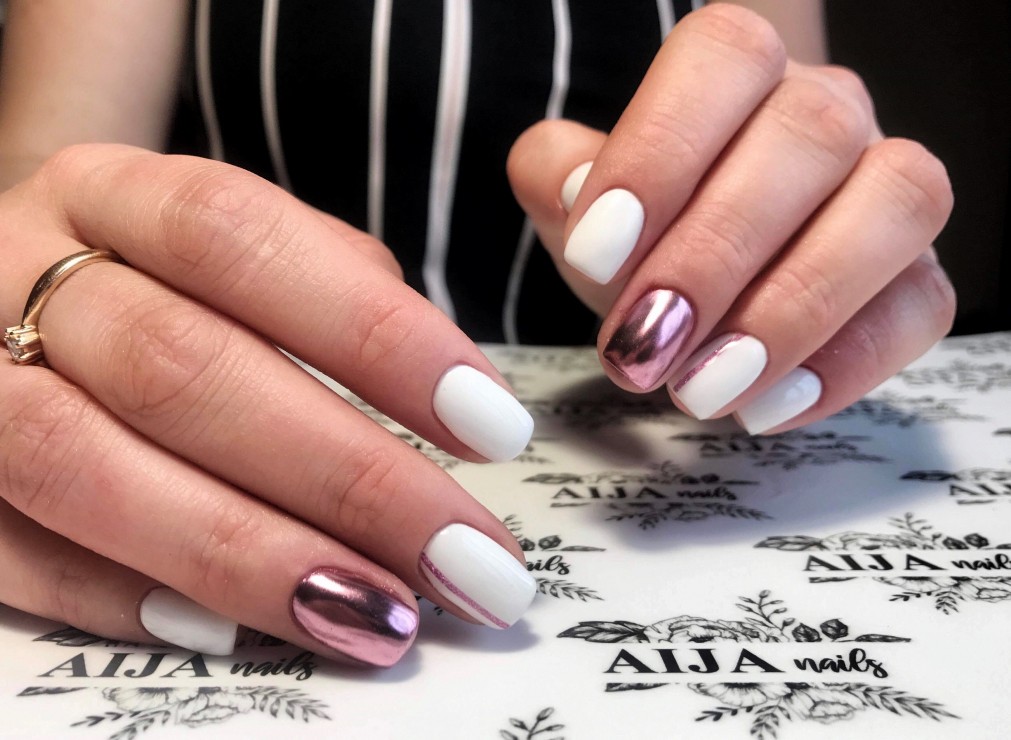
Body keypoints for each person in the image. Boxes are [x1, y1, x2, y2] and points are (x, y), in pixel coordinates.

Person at [0, 0, 955, 667]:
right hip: (205, 436)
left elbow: (787, 124)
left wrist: (798, 236)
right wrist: (31, 275)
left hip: (626, 457)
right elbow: (45, 173)